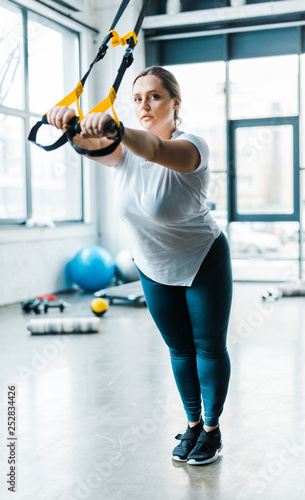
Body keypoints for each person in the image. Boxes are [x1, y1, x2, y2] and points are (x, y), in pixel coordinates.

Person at [47, 66, 233, 466]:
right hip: (152, 265)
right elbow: (87, 144)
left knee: (208, 348)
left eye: (154, 96)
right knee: (180, 350)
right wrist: (67, 122)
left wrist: (114, 128)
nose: (144, 105)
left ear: (175, 103)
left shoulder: (191, 146)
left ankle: (212, 429)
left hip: (202, 258)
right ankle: (193, 425)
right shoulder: (122, 151)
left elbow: (154, 150)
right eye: (137, 98)